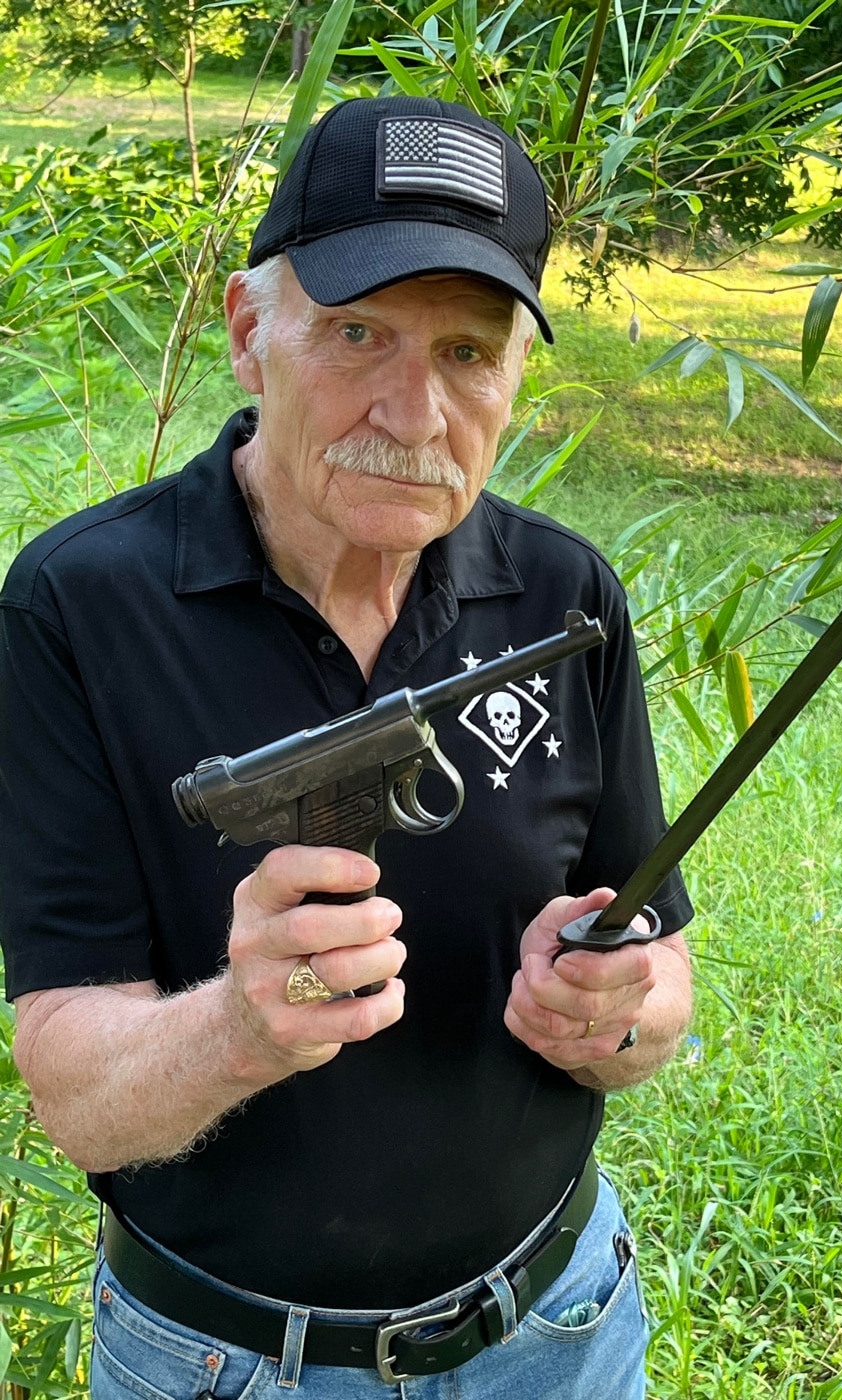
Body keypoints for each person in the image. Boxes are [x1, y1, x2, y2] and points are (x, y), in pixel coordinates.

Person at [0, 95, 694, 1398]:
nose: (413, 412)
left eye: (468, 353)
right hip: (223, 1359)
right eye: (358, 331)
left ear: (515, 379)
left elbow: (660, 987)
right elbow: (76, 1099)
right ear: (249, 332)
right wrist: (238, 1031)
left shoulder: (564, 595)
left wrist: (616, 1010)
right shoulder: (76, 606)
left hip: (557, 1331)